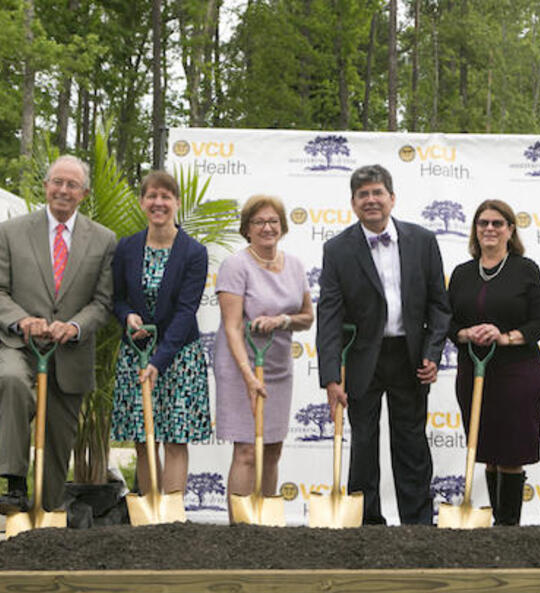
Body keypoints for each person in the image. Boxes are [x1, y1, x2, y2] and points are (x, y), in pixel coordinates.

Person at [317, 164, 450, 525]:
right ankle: (366, 524)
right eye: (364, 195)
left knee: (411, 444)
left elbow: (440, 305)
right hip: (361, 358)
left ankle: (418, 523)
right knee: (363, 443)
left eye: (378, 193)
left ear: (392, 198)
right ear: (353, 203)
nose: (371, 200)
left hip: (411, 357)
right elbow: (328, 315)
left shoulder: (423, 241)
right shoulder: (337, 249)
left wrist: (433, 354)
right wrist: (331, 376)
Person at [0, 155, 116, 513]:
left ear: (84, 193)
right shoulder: (11, 231)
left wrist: (75, 326)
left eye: (72, 185)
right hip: (19, 345)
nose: (63, 191)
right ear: (47, 187)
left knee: (57, 440)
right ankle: (13, 483)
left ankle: (46, 512)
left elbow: (102, 301)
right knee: (12, 381)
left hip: (69, 354)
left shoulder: (104, 240)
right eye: (57, 183)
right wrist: (22, 321)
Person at [447, 200, 540, 525]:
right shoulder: (462, 274)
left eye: (497, 223)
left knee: (511, 454)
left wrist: (504, 336)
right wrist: (466, 333)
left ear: (510, 230)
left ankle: (509, 527)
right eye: (483, 223)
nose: (489, 229)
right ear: (475, 230)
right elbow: (446, 323)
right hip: (475, 371)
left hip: (518, 374)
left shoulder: (525, 269)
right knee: (487, 452)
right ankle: (496, 523)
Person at [111, 171, 211, 498]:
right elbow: (118, 298)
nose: (158, 203)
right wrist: (128, 316)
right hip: (136, 354)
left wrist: (159, 360)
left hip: (180, 356)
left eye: (166, 197)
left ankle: (171, 519)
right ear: (142, 202)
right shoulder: (126, 248)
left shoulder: (194, 252)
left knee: (175, 439)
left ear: (177, 203)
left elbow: (186, 310)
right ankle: (149, 517)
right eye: (152, 196)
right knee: (143, 439)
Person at [214, 195, 313, 517]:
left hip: (277, 367)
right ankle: (240, 529)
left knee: (272, 449)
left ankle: (264, 526)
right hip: (239, 365)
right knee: (245, 450)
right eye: (259, 222)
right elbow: (231, 327)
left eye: (273, 221)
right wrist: (247, 375)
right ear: (247, 229)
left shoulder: (295, 266)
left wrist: (281, 320)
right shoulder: (235, 265)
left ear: (282, 227)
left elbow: (306, 317)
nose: (267, 228)